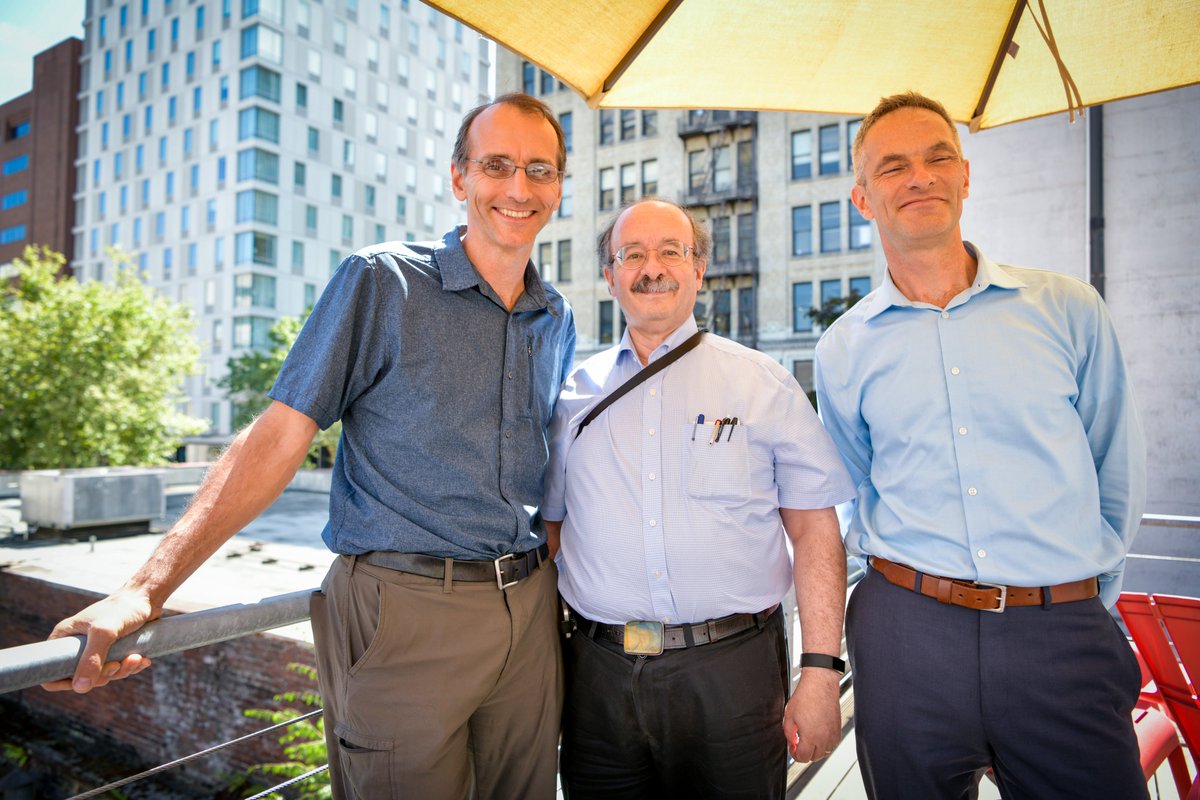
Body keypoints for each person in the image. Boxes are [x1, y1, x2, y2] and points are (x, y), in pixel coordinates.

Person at [43, 92, 576, 799]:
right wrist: (143, 591)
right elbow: (277, 437)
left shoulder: (556, 315)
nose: (518, 188)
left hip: (532, 616)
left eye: (539, 170)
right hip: (406, 611)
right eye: (497, 165)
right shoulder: (384, 281)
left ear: (560, 187)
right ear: (459, 179)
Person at [814, 91, 1148, 800]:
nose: (920, 177)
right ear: (863, 198)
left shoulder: (1066, 308)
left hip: (1061, 636)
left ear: (966, 175)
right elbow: (854, 487)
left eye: (938, 158)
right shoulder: (843, 347)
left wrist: (1082, 606)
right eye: (894, 165)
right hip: (907, 637)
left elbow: (1114, 467)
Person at [543, 198, 856, 799]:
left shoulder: (762, 383)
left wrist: (819, 672)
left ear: (698, 269)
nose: (651, 267)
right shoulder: (572, 399)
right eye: (631, 254)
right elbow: (551, 535)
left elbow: (817, 533)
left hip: (733, 676)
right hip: (599, 678)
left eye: (670, 252)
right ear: (609, 276)